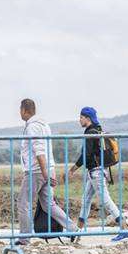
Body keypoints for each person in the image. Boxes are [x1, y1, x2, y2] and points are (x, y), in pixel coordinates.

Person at [16, 98, 78, 245]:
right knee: (48, 204)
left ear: (24, 110)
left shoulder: (32, 127)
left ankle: (24, 238)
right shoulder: (44, 125)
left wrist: (43, 173)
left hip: (36, 171)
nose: (20, 113)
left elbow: (39, 151)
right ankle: (73, 229)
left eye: (20, 110)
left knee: (23, 203)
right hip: (49, 169)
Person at [68, 106, 128, 242]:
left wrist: (73, 168)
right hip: (95, 171)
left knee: (106, 201)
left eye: (81, 117)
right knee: (85, 201)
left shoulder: (90, 132)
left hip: (95, 172)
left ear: (87, 118)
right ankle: (78, 233)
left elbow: (86, 154)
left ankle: (124, 228)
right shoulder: (97, 130)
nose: (79, 120)